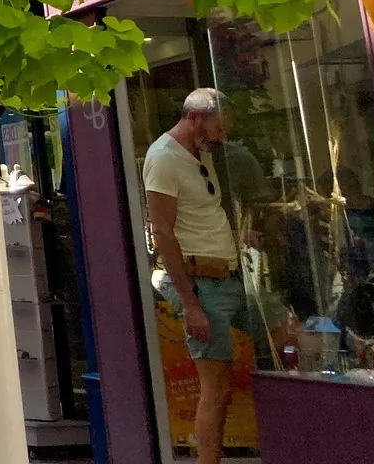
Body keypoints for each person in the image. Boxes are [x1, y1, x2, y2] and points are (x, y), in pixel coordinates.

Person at [147, 87, 262, 464]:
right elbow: (162, 232)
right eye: (217, 127)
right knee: (216, 386)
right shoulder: (164, 158)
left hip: (231, 276)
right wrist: (191, 304)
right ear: (195, 118)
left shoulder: (202, 152)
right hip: (203, 284)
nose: (222, 136)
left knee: (279, 337)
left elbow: (204, 212)